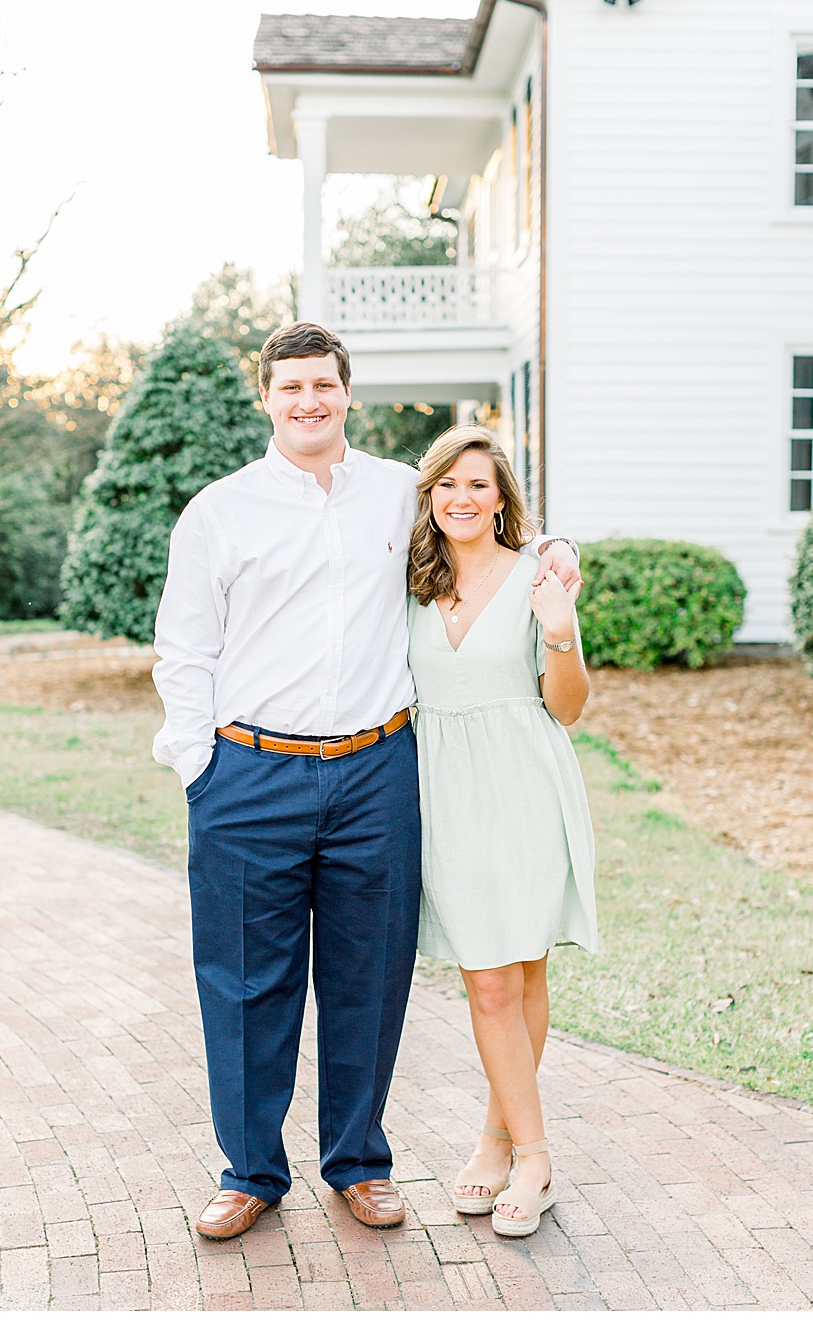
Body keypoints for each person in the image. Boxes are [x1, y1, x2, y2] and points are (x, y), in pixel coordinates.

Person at [152, 322, 579, 1241]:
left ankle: (357, 1163)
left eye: (325, 385)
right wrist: (201, 768)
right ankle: (250, 1173)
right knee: (242, 982)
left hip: (377, 772)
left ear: (349, 394)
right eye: (290, 387)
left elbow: (500, 522)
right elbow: (182, 651)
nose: (309, 401)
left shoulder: (401, 494)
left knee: (369, 980)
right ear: (265, 398)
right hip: (248, 775)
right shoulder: (218, 513)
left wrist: (563, 550)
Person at [403, 425, 597, 1238]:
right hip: (443, 790)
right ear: (430, 495)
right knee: (488, 980)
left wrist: (559, 624)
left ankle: (528, 1156)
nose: (461, 498)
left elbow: (569, 707)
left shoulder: (535, 582)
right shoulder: (409, 583)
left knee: (518, 973)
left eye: (478, 484)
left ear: (501, 496)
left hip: (524, 781)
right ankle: (503, 1140)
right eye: (448, 484)